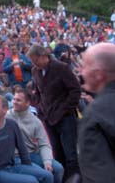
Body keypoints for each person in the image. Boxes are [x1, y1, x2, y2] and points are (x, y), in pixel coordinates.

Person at [27, 44, 81, 180]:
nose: (34, 64)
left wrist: (64, 109)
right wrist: (40, 107)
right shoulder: (35, 71)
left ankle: (75, 179)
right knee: (57, 152)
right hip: (48, 117)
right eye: (32, 62)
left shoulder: (61, 68)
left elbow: (75, 90)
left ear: (43, 56)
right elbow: (38, 91)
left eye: (35, 60)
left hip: (65, 117)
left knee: (71, 154)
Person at [0, 94, 53, 183]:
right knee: (32, 181)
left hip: (14, 164)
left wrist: (28, 167)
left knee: (48, 176)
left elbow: (22, 148)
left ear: (5, 110)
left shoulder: (12, 124)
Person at [7, 87, 64, 183]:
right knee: (46, 175)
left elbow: (44, 144)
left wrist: (47, 161)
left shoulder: (35, 121)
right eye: (14, 99)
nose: (14, 102)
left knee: (58, 168)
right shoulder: (6, 116)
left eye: (18, 100)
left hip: (33, 153)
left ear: (27, 103)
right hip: (16, 156)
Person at [78, 42, 115, 183]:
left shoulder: (94, 115)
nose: (81, 72)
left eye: (85, 66)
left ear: (99, 74)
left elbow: (99, 176)